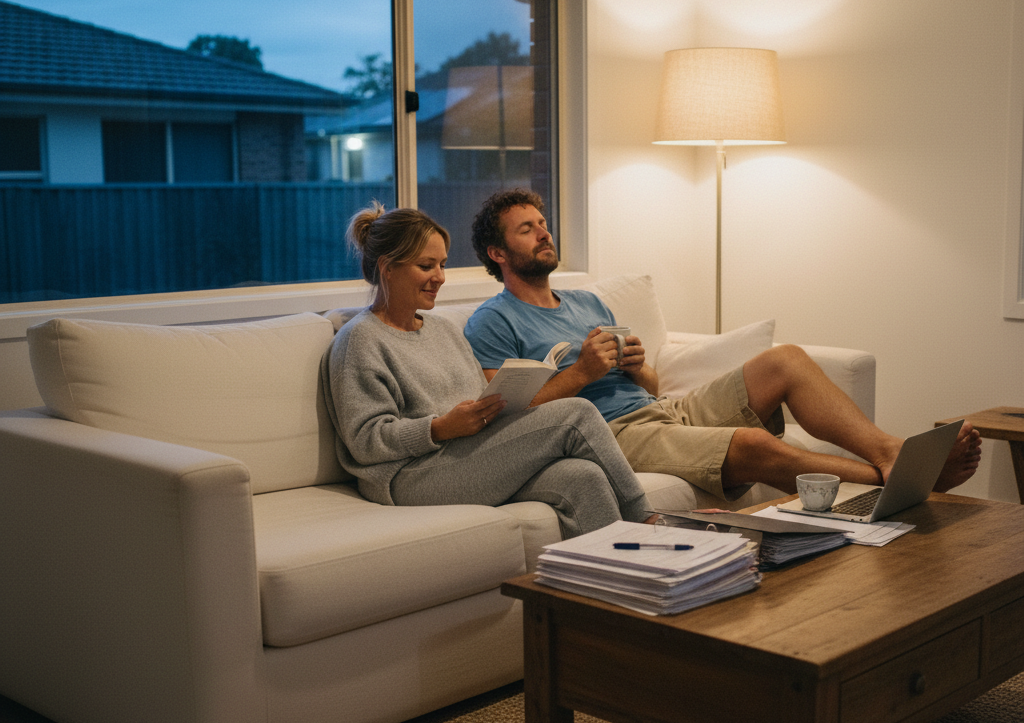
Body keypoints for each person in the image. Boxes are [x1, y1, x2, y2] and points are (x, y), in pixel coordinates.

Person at [464, 188, 982, 502]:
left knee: (787, 359)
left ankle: (892, 452)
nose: (543, 234)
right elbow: (505, 416)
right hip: (610, 435)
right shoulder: (493, 320)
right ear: (497, 252)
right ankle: (904, 480)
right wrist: (581, 373)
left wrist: (639, 367)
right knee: (752, 444)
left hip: (660, 410)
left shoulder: (586, 302)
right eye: (527, 230)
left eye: (544, 224)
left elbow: (649, 385)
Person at [323, 202, 653, 539]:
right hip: (409, 476)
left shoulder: (443, 329)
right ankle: (648, 522)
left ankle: (616, 583)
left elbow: (473, 397)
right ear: (387, 268)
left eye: (442, 265)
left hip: (465, 454)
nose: (440, 277)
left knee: (584, 477)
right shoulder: (360, 340)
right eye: (426, 266)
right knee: (576, 413)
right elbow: (365, 441)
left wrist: (489, 409)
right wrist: (438, 429)